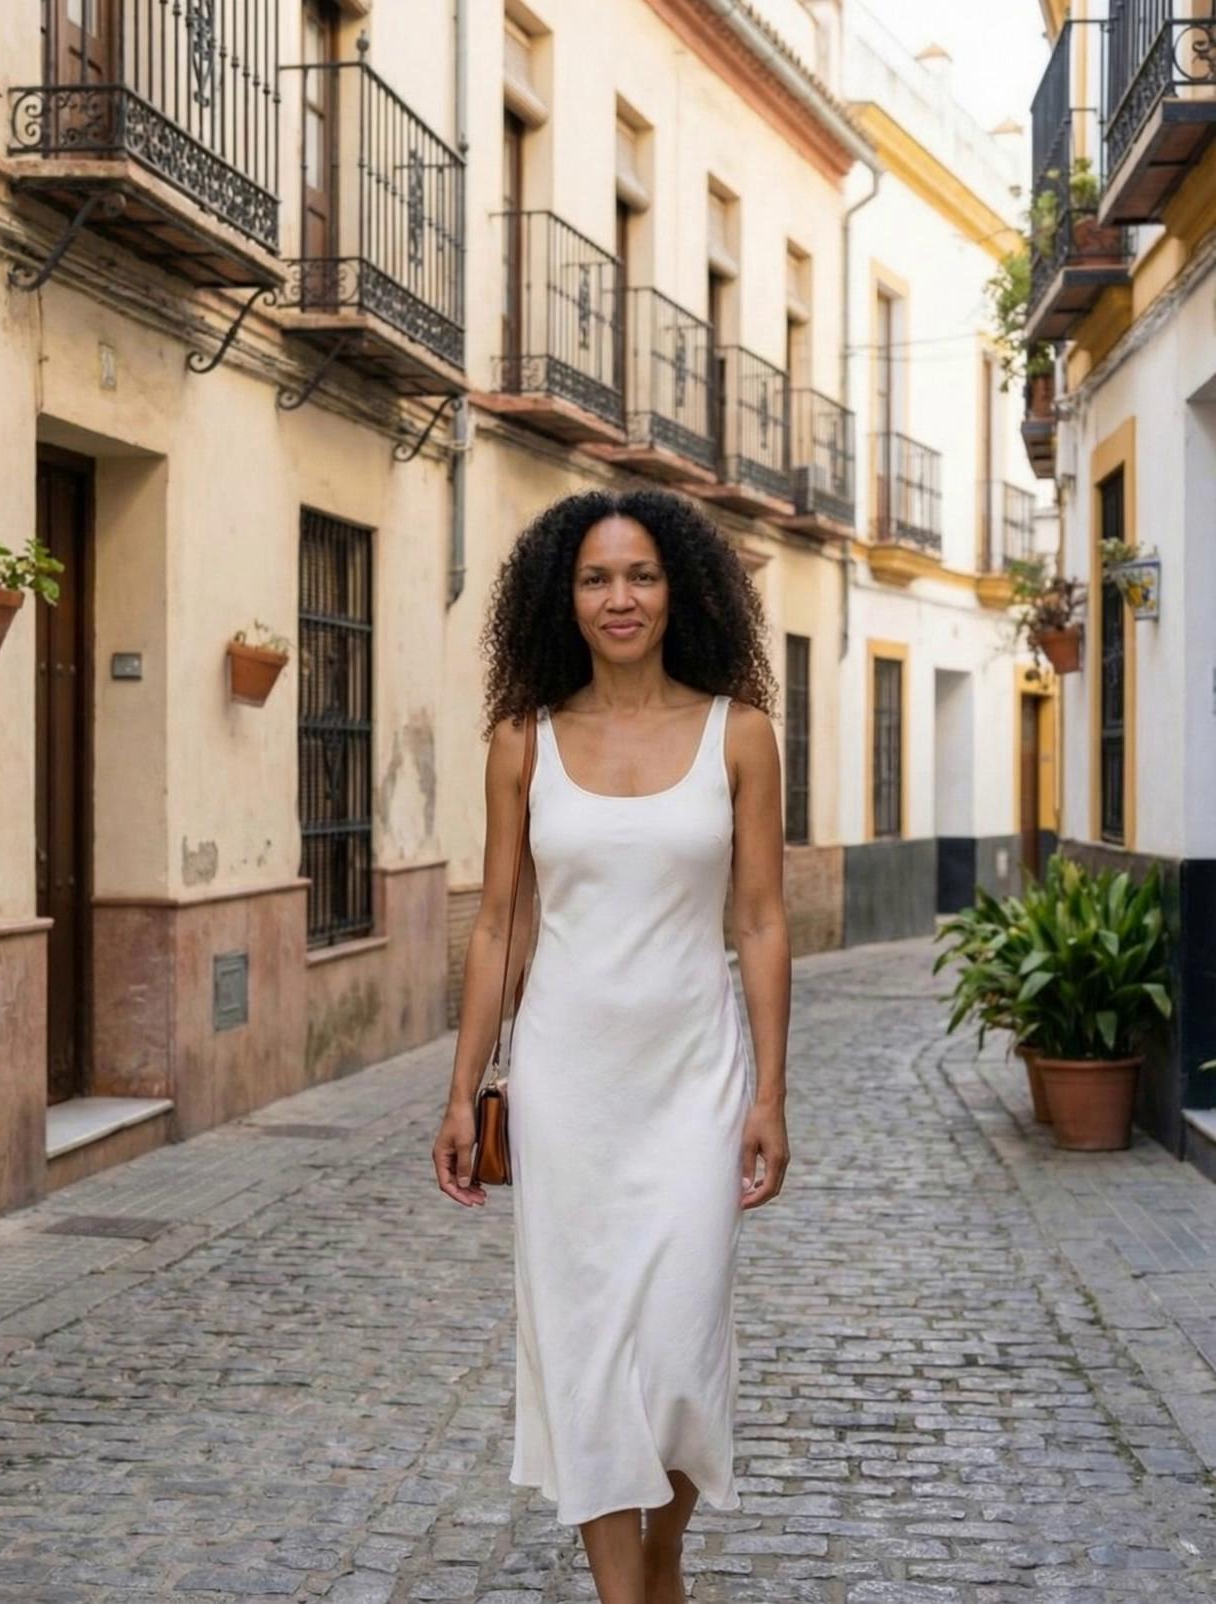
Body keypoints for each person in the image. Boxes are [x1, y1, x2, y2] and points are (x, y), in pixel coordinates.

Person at [432, 487, 791, 1604]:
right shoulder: (520, 740)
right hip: (563, 1084)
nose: (618, 597)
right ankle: (623, 1591)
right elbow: (500, 920)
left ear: (676, 587)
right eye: (595, 578)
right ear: (564, 595)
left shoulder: (738, 731)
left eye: (638, 575)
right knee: (585, 1346)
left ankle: (666, 1544)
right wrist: (460, 1091)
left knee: (681, 1352)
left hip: (694, 1076)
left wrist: (769, 1094)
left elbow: (761, 919)